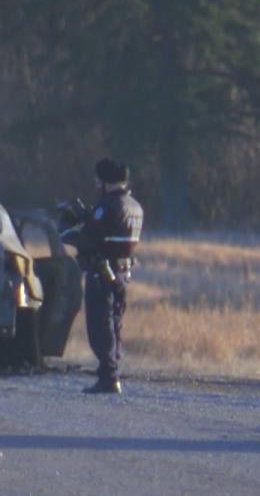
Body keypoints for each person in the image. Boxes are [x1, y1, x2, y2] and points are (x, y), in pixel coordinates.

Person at [73, 158, 144, 394]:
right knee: (115, 323)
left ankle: (109, 377)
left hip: (102, 273)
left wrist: (75, 225)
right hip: (123, 272)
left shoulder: (109, 206)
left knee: (100, 324)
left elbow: (91, 237)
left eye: (98, 179)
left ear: (106, 181)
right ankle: (112, 372)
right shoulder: (135, 206)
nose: (96, 184)